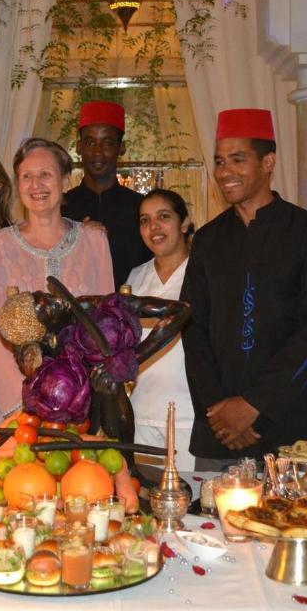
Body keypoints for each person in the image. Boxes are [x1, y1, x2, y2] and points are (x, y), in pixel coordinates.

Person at [181, 109, 307, 464]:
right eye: (220, 161)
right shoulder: (207, 240)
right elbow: (192, 328)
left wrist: (252, 405)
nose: (225, 172)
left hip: (289, 430)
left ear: (268, 162)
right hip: (218, 432)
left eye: (238, 159)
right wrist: (220, 414)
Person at [0, 138, 114, 432]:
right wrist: (24, 400)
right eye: (27, 176)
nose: (36, 184)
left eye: (45, 174)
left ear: (65, 181)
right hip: (15, 404)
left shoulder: (94, 241)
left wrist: (77, 396)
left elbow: (104, 327)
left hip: (80, 401)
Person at [125, 189, 196, 471]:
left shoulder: (202, 272)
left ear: (185, 222)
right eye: (145, 220)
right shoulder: (135, 276)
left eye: (163, 217)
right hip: (141, 413)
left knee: (189, 499)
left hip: (187, 415)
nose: (153, 227)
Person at [63, 100, 152, 289]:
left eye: (108, 143)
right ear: (79, 147)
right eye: (90, 142)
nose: (97, 152)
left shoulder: (141, 208)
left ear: (122, 148)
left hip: (133, 313)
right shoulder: (62, 207)